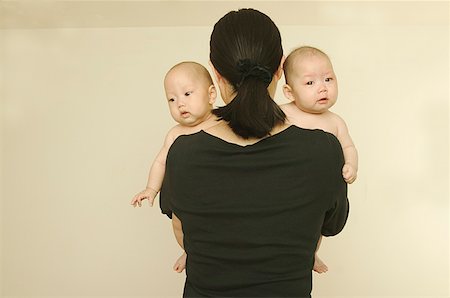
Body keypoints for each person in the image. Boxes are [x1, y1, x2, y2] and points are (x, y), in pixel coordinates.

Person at [160, 8, 349, 298]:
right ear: (279, 69)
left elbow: (183, 231)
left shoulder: (182, 153)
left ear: (216, 73)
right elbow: (326, 227)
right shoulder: (324, 149)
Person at [131, 61, 218, 271]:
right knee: (179, 225)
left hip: (210, 196)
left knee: (213, 226)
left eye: (187, 94)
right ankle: (189, 251)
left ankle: (205, 251)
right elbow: (161, 161)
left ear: (211, 95)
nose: (180, 103)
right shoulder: (175, 133)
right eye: (172, 99)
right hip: (181, 195)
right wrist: (151, 188)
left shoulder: (221, 123)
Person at [281, 45, 358, 274]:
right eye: (310, 83)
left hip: (319, 195)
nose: (322, 88)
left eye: (328, 79)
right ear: (289, 92)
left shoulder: (334, 121)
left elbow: (349, 146)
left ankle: (311, 253)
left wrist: (351, 165)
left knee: (315, 227)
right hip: (289, 188)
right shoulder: (282, 113)